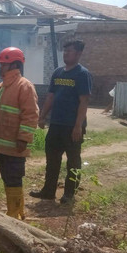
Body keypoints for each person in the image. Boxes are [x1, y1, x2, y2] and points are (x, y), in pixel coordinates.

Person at [30, 40, 92, 204]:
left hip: (72, 126)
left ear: (78, 54)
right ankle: (48, 191)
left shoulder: (82, 74)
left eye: (69, 52)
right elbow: (50, 96)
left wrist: (78, 126)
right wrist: (42, 116)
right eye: (64, 51)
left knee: (73, 161)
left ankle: (69, 194)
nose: (65, 54)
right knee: (52, 159)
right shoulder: (58, 73)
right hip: (56, 124)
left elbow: (84, 101)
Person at [0, 47, 39, 220]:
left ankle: (14, 213)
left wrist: (23, 139)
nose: (1, 68)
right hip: (2, 146)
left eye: (4, 64)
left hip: (15, 146)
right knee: (7, 178)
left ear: (14, 65)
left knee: (14, 179)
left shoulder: (24, 86)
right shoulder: (1, 87)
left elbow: (31, 115)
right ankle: (18, 211)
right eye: (1, 64)